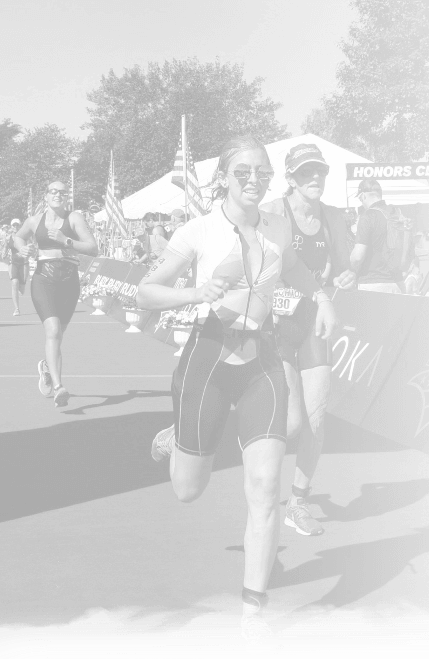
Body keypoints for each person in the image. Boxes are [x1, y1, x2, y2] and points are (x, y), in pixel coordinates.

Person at [137, 135, 337, 653]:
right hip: (207, 361)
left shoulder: (276, 228)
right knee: (188, 489)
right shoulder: (198, 231)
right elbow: (146, 291)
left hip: (262, 363)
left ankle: (254, 612)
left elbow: (293, 267)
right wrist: (191, 292)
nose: (253, 179)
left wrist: (321, 296)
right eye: (242, 171)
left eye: (261, 171)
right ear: (224, 177)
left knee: (267, 488)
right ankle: (178, 436)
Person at [263, 144, 356, 538]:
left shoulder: (333, 217)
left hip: (313, 320)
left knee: (316, 421)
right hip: (274, 323)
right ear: (291, 178)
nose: (314, 179)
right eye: (305, 173)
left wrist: (347, 277)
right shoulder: (272, 213)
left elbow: (346, 265)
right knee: (291, 421)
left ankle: (298, 503)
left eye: (319, 172)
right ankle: (198, 428)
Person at [12, 180, 98, 407]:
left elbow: (93, 248)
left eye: (62, 192)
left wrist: (66, 240)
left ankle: (46, 368)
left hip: (69, 280)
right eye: (53, 191)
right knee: (52, 330)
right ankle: (59, 387)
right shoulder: (34, 221)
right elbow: (18, 237)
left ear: (66, 196)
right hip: (43, 279)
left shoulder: (74, 218)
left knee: (59, 336)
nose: (58, 195)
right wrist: (23, 248)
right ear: (46, 196)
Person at [348, 178, 412, 292]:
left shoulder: (368, 216)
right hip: (398, 284)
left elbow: (357, 257)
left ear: (363, 196)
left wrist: (350, 268)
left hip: (373, 284)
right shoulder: (396, 213)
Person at [7, 218, 28, 315]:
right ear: (11, 227)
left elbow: (33, 247)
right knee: (14, 282)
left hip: (24, 263)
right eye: (13, 225)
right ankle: (16, 309)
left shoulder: (26, 237)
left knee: (22, 289)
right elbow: (3, 249)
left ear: (20, 226)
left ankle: (22, 286)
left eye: (17, 225)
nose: (15, 227)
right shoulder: (8, 237)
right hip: (13, 262)